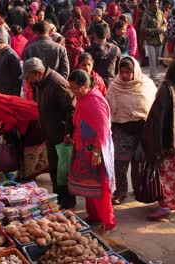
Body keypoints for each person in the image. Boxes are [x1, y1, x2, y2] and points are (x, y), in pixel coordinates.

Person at [21, 58, 76, 209]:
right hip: (50, 132)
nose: (27, 80)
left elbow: (71, 109)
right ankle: (59, 199)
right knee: (54, 168)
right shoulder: (40, 83)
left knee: (62, 170)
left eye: (28, 76)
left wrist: (69, 132)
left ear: (38, 73)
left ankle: (67, 201)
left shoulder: (57, 83)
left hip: (61, 133)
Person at [67, 69, 117, 235]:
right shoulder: (83, 99)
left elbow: (103, 127)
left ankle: (109, 223)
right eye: (71, 88)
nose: (73, 92)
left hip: (96, 150)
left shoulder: (94, 101)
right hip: (84, 149)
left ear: (85, 85)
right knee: (89, 185)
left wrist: (96, 150)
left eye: (75, 88)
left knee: (101, 187)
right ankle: (94, 216)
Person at [143, 59, 175, 219]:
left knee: (164, 172)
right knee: (174, 171)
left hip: (166, 139)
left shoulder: (165, 89)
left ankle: (166, 205)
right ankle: (174, 199)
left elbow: (157, 116)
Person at [106, 56, 157, 204]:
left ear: (135, 71)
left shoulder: (146, 84)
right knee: (120, 163)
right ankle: (120, 191)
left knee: (138, 162)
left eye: (128, 72)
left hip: (142, 129)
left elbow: (153, 107)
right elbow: (109, 109)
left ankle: (138, 190)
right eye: (121, 72)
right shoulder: (114, 86)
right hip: (121, 129)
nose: (124, 75)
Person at [0, 27, 22, 96]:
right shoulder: (1, 53)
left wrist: (14, 97)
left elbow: (18, 79)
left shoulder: (11, 55)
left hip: (10, 96)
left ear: (0, 42)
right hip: (3, 93)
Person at [141, 0, 166, 80]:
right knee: (152, 60)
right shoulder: (146, 14)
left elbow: (165, 23)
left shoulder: (160, 12)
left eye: (158, 3)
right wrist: (155, 31)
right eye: (155, 3)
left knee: (157, 60)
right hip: (150, 41)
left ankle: (155, 74)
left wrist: (162, 29)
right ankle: (153, 76)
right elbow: (143, 28)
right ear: (151, 3)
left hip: (160, 39)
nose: (157, 4)